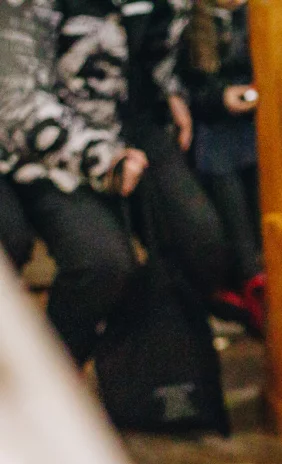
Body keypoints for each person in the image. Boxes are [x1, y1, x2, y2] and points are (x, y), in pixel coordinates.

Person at [0, 0, 228, 365]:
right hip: (46, 144)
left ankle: (152, 374)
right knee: (102, 264)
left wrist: (172, 89)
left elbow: (162, 44)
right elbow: (15, 101)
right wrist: (101, 158)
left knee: (203, 244)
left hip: (132, 124)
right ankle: (54, 379)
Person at [184, 0, 265, 333]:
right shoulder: (191, 21)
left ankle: (258, 276)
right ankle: (252, 279)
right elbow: (189, 90)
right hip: (214, 128)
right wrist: (221, 98)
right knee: (219, 156)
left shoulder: (259, 13)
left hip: (262, 125)